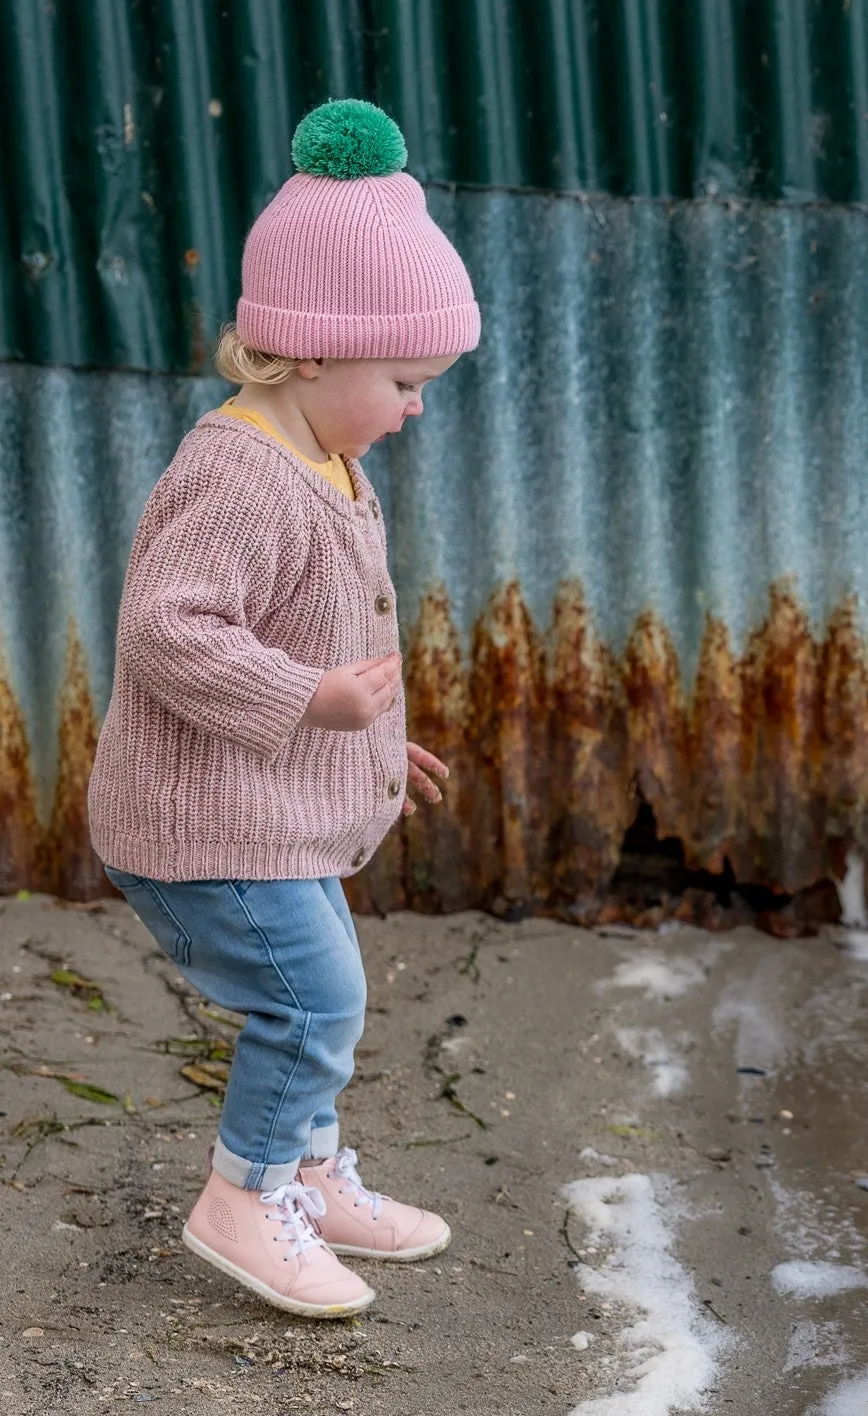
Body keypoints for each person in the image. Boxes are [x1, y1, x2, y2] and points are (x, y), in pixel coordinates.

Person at [86, 99, 481, 1319]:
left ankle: (305, 1169)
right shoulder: (239, 473)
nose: (417, 406)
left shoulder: (324, 455)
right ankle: (244, 1201)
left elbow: (321, 636)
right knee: (313, 1000)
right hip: (199, 827)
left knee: (324, 989)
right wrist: (309, 698)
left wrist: (361, 737)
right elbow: (167, 630)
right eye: (405, 379)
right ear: (311, 350)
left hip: (267, 806)